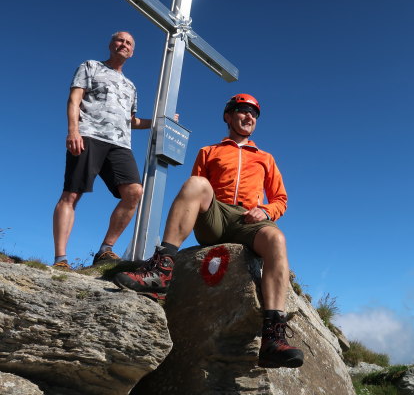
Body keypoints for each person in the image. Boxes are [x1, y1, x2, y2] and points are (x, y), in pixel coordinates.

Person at [114, 93, 304, 369]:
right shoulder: (209, 151)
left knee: (276, 238)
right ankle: (161, 272)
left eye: (254, 114)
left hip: (248, 220)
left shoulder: (265, 158)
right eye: (242, 111)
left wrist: (265, 211)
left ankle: (272, 340)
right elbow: (196, 194)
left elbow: (280, 199)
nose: (249, 117)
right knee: (196, 183)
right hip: (215, 217)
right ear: (228, 116)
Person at [52, 31, 151, 270]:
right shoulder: (90, 66)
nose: (124, 44)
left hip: (120, 144)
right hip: (89, 135)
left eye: (129, 43)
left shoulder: (131, 86)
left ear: (132, 52)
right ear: (111, 44)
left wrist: (160, 122)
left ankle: (105, 250)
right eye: (120, 40)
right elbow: (74, 99)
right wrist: (73, 131)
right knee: (72, 194)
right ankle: (60, 259)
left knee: (135, 192)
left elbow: (131, 120)